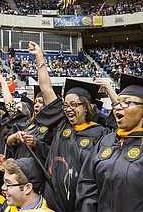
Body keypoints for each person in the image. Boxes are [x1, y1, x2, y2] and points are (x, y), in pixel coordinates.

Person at [28, 41, 109, 212]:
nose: (68, 109)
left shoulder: (100, 134)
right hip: (52, 201)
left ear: (86, 107)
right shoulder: (62, 124)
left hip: (81, 205)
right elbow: (46, 89)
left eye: (74, 105)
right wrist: (39, 57)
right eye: (66, 105)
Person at [75, 73, 143, 212]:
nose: (118, 107)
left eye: (127, 102)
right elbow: (87, 182)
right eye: (117, 103)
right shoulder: (106, 141)